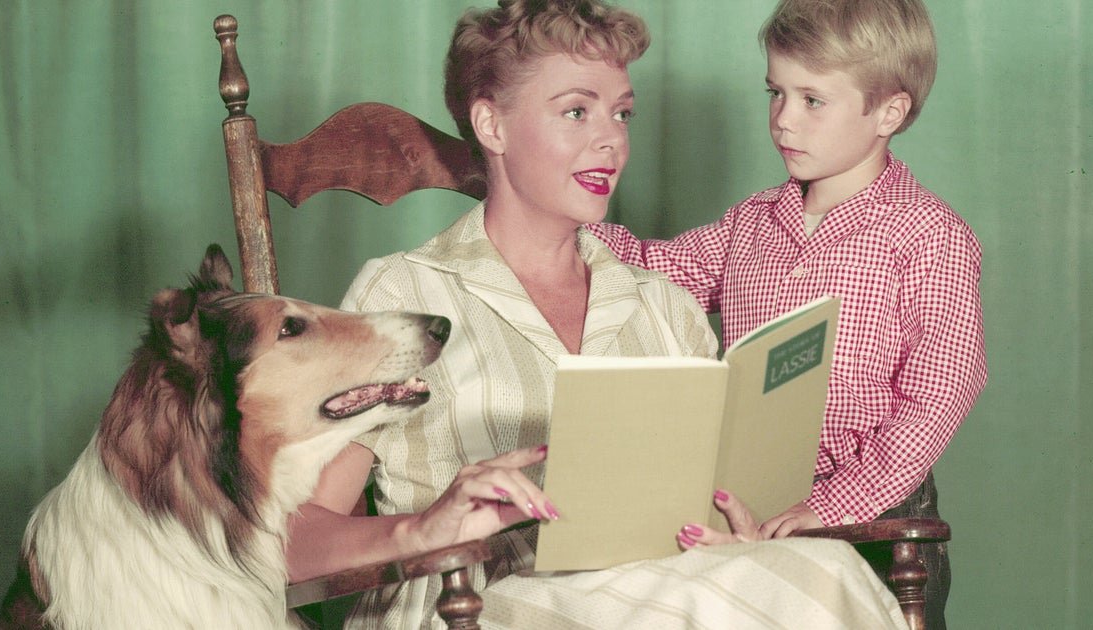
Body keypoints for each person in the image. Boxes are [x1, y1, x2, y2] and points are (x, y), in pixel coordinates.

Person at [287, 1, 908, 628]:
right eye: (576, 111)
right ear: (492, 125)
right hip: (469, 608)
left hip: (668, 603)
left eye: (622, 113)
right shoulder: (401, 293)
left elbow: (709, 531)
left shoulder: (664, 307)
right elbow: (288, 541)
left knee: (820, 566)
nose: (612, 139)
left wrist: (736, 535)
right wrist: (423, 529)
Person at [590, 0, 988, 626]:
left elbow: (942, 389)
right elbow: (651, 269)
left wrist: (836, 504)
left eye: (812, 100)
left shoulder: (928, 234)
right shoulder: (752, 222)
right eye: (775, 93)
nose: (783, 120)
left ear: (889, 112)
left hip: (879, 522)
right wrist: (549, 211)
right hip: (755, 511)